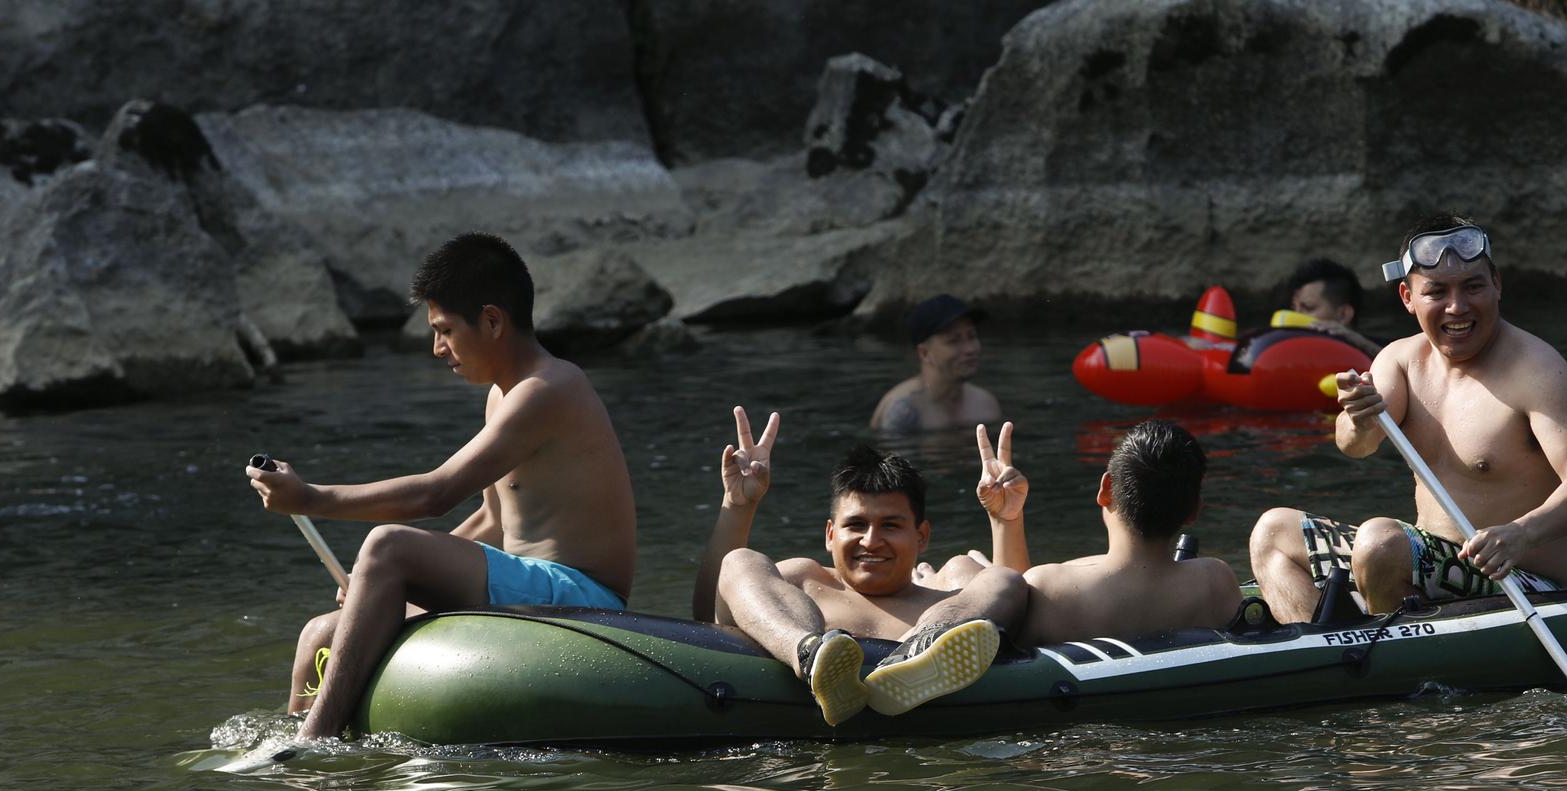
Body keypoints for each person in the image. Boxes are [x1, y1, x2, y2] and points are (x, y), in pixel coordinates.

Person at [247, 232, 637, 741]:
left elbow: (436, 494)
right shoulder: (504, 397)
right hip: (529, 583)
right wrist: (375, 581)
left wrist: (312, 499)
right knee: (320, 632)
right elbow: (493, 519)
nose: (437, 348)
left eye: (445, 330)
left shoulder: (550, 389)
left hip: (583, 597)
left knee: (387, 544)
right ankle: (298, 755)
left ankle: (313, 742)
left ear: (493, 321)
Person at [1247, 215, 1567, 624]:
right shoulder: (1400, 361)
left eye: (1473, 286)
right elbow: (1355, 446)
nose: (1458, 307)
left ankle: (1380, 653)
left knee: (1381, 542)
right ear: (1408, 297)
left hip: (1516, 580)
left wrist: (1521, 533)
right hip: (1417, 562)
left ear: (1497, 285)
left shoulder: (1538, 371)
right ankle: (1324, 654)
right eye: (1437, 291)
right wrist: (1359, 419)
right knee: (1274, 532)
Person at [692, 406, 1027, 726]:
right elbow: (706, 620)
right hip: (802, 738)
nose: (870, 540)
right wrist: (739, 505)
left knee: (1001, 577)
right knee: (739, 561)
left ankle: (920, 652)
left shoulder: (946, 589)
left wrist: (1006, 520)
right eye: (856, 525)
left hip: (928, 736)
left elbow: (1031, 614)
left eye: (891, 526)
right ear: (830, 534)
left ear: (921, 536)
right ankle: (811, 655)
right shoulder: (803, 580)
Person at [932, 418, 1245, 648]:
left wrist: (1004, 521)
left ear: (1105, 489)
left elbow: (1012, 599)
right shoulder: (1215, 582)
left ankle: (916, 642)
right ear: (1194, 511)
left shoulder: (1051, 589)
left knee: (962, 567)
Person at [869, 295, 1002, 436]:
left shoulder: (985, 405)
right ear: (924, 353)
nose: (970, 349)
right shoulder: (902, 411)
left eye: (972, 336)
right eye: (954, 341)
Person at [1283, 256, 1382, 359]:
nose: (1294, 316)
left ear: (1343, 315)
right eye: (1294, 309)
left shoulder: (1386, 351)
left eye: (1308, 308)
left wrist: (1365, 345)